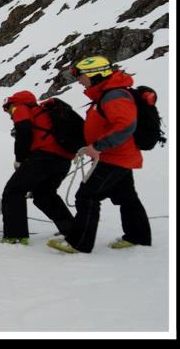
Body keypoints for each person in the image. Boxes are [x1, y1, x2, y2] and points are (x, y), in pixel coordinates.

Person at [48, 56, 152, 253]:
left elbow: (125, 125)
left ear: (96, 74)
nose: (79, 80)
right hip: (116, 156)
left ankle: (79, 243)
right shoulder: (106, 95)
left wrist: (98, 146)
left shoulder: (114, 96)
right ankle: (138, 236)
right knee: (127, 197)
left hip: (115, 158)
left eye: (81, 76)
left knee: (86, 196)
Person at [0, 90, 75, 245]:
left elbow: (23, 131)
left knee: (13, 191)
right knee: (44, 195)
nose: (8, 113)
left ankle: (15, 236)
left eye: (7, 108)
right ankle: (72, 230)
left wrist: (20, 159)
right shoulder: (45, 113)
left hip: (43, 158)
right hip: (63, 160)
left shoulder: (19, 107)